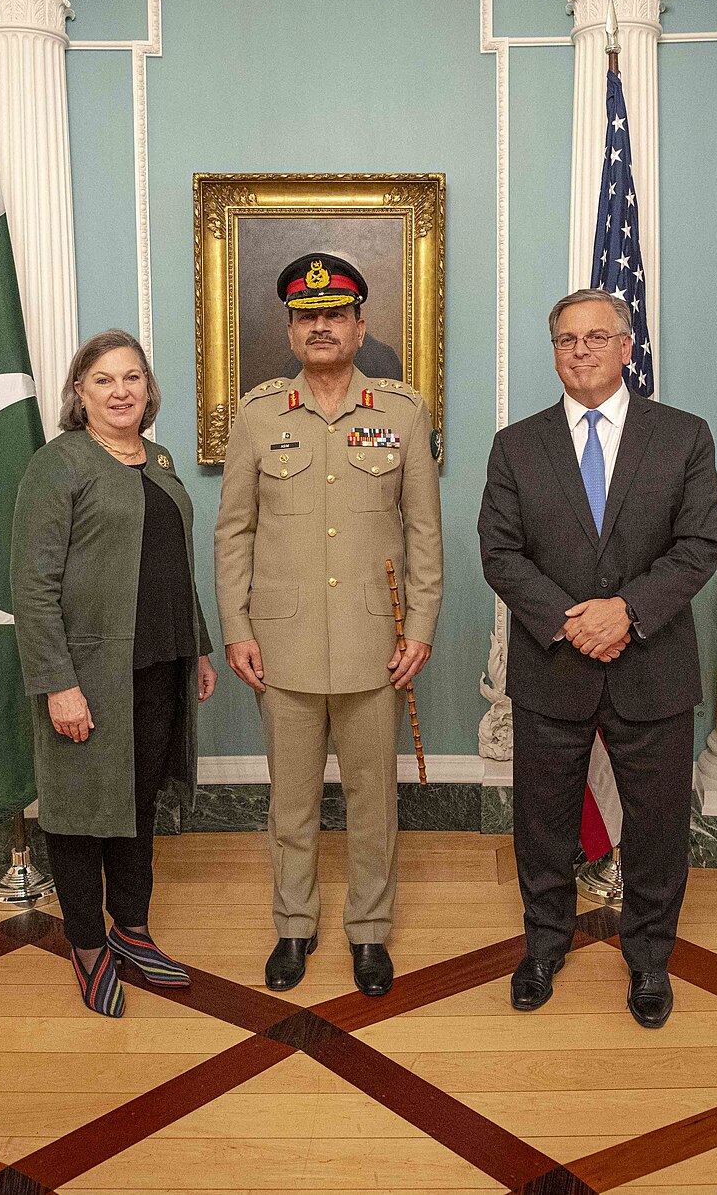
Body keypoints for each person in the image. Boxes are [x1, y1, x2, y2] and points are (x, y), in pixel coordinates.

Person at [477, 288, 717, 1029]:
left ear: (626, 346)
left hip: (652, 664)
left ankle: (649, 958)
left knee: (656, 826)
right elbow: (500, 552)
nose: (579, 351)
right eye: (565, 340)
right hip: (554, 665)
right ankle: (544, 945)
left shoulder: (682, 436)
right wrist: (570, 620)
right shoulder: (517, 445)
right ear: (553, 350)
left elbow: (700, 544)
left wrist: (628, 612)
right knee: (543, 822)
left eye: (595, 337)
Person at [215, 252, 442, 997]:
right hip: (280, 646)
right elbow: (234, 534)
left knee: (375, 802)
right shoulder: (257, 416)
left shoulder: (402, 413)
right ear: (290, 331)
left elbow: (424, 536)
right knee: (291, 800)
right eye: (307, 316)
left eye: (334, 314)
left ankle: (371, 933)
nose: (321, 326)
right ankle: (294, 923)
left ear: (359, 325)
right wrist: (238, 626)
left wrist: (422, 628)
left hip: (378, 644)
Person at [12, 329, 219, 1018]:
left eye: (132, 377)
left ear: (147, 388)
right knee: (78, 813)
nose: (121, 390)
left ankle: (131, 926)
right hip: (88, 673)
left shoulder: (157, 459)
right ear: (80, 392)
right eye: (104, 379)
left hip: (160, 663)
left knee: (135, 804)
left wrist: (202, 645)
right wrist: (57, 683)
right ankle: (88, 942)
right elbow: (33, 587)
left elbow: (173, 564)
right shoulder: (58, 464)